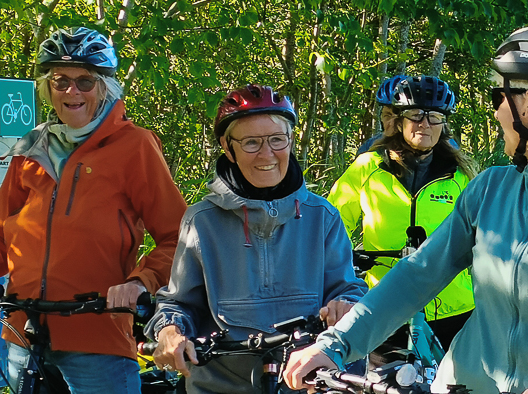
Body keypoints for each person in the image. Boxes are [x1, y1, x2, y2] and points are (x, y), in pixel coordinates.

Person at [284, 25, 528, 394]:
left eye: (499, 97)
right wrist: (335, 344)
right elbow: (418, 274)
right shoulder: (490, 188)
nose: (496, 113)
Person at [0, 27, 188, 393]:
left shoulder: (134, 146)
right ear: (48, 88)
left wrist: (140, 282)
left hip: (97, 337)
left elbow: (178, 237)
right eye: (60, 81)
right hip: (23, 335)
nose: (72, 92)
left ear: (104, 88)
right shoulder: (32, 148)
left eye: (84, 81)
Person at [143, 84, 368, 394]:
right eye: (251, 142)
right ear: (227, 147)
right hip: (218, 385)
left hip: (304, 382)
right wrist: (170, 330)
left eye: (277, 139)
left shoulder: (322, 216)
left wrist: (344, 304)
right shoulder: (201, 221)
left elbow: (346, 288)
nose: (267, 154)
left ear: (291, 140)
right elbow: (179, 303)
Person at [329, 75, 479, 351]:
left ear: (444, 124)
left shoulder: (460, 176)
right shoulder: (368, 167)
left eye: (435, 117)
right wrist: (343, 266)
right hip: (385, 301)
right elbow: (331, 226)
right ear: (398, 121)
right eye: (415, 115)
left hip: (453, 307)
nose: (425, 124)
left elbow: (483, 235)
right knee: (384, 374)